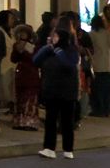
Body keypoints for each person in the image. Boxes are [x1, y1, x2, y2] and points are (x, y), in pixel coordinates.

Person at [34, 16, 81, 159]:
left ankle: (68, 148)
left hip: (67, 91)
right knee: (50, 120)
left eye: (55, 36)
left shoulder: (71, 50)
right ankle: (49, 147)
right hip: (51, 90)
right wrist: (46, 48)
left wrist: (58, 51)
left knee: (67, 121)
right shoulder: (49, 50)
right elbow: (35, 60)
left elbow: (69, 64)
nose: (52, 38)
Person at [11, 24, 41, 130]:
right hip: (21, 74)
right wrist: (18, 50)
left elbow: (36, 59)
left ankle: (30, 122)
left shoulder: (34, 46)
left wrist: (26, 51)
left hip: (31, 74)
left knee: (30, 100)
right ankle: (19, 121)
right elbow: (13, 59)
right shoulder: (17, 45)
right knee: (20, 99)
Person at [87, 14, 110, 119]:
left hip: (97, 64)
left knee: (97, 88)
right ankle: (107, 109)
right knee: (106, 89)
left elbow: (91, 48)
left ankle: (98, 109)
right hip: (107, 64)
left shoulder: (91, 34)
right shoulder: (107, 33)